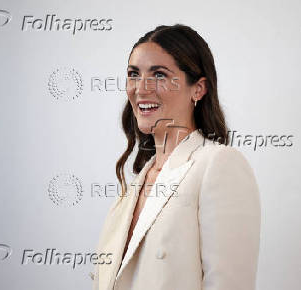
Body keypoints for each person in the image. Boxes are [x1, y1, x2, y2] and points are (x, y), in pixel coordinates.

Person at [91, 24, 261, 290]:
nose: (141, 88)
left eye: (159, 74)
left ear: (198, 89)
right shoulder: (134, 185)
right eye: (133, 74)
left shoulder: (218, 165)